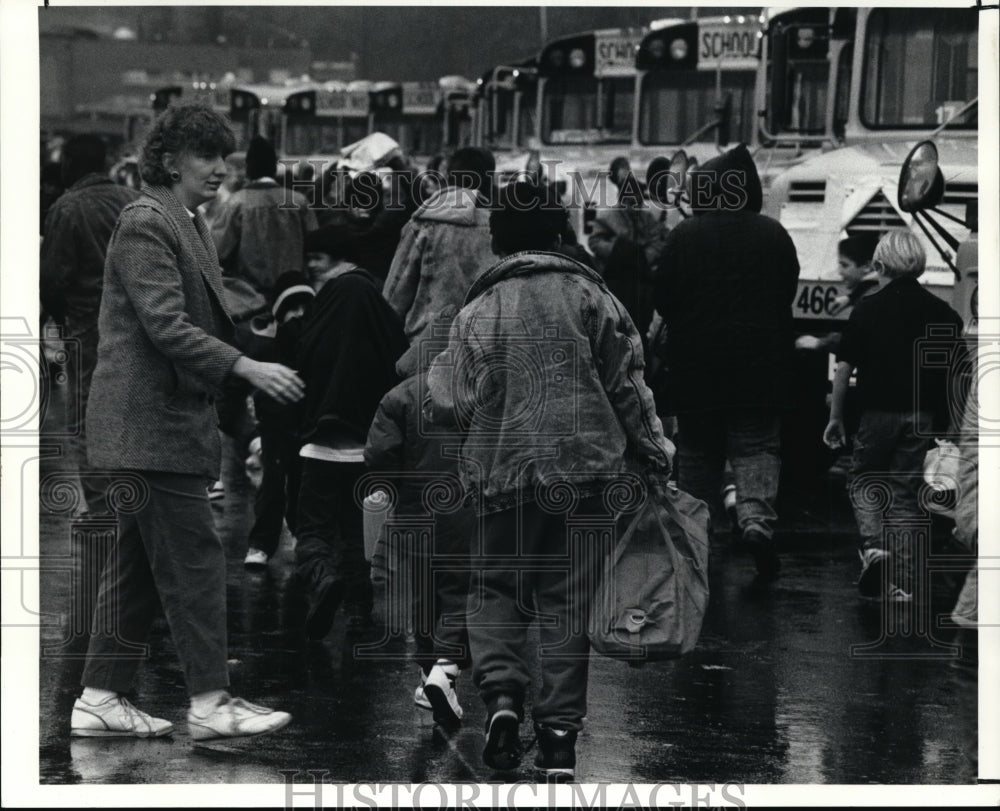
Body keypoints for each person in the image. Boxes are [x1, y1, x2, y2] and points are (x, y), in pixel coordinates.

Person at [426, 182, 675, 780]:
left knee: (496, 594)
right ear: (560, 234)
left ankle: (504, 703)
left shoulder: (478, 309)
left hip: (501, 475)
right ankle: (560, 737)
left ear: (500, 241)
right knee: (567, 603)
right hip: (586, 476)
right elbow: (629, 387)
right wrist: (655, 452)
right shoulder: (595, 296)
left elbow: (446, 398)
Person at [74, 104, 303, 741]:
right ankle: (210, 702)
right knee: (196, 561)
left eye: (225, 160)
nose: (220, 171)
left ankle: (99, 698)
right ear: (172, 161)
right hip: (151, 428)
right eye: (209, 158)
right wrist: (248, 369)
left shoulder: (184, 220)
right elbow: (167, 326)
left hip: (148, 427)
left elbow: (201, 307)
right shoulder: (148, 221)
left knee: (138, 568)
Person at [652, 143, 799, 581]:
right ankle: (755, 522)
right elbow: (784, 294)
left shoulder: (684, 236)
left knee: (698, 454)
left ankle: (696, 539)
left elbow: (664, 298)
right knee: (756, 449)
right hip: (760, 370)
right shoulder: (773, 235)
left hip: (697, 372)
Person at [823, 229, 965, 602]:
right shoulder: (943, 313)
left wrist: (836, 418)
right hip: (921, 417)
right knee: (905, 496)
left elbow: (843, 369)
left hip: (875, 414)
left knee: (864, 479)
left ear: (880, 264)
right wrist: (952, 424)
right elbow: (956, 375)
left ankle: (874, 548)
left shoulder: (868, 308)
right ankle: (901, 586)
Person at [364, 327, 476, 729]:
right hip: (464, 507)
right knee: (458, 590)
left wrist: (392, 491)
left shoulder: (399, 396)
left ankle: (426, 674)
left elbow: (379, 455)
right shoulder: (473, 393)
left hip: (413, 510)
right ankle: (444, 671)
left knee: (423, 594)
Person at [293, 251, 409, 639]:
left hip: (320, 449)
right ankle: (362, 610)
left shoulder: (318, 328)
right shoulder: (385, 332)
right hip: (367, 452)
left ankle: (321, 576)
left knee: (315, 529)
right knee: (358, 533)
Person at [40, 134, 140, 517]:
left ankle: (100, 509)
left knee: (87, 418)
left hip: (88, 330)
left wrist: (62, 320)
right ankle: (132, 505)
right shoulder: (133, 202)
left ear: (69, 163)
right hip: (136, 328)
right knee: (132, 415)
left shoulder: (67, 209)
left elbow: (52, 280)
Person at [383, 146, 496, 346]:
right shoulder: (498, 228)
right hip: (481, 346)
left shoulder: (421, 224)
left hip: (425, 346)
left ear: (448, 178)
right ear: (489, 180)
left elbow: (395, 295)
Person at [243, 271, 316, 567]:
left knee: (299, 483)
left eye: (303, 309)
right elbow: (238, 396)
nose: (298, 316)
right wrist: (252, 434)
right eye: (292, 309)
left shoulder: (310, 344)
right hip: (273, 426)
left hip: (302, 424)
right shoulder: (263, 347)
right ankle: (261, 543)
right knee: (273, 486)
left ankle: (298, 536)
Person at [212, 135, 317, 294]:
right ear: (274, 168)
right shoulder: (299, 202)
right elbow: (315, 248)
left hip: (251, 297)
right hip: (295, 294)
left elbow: (217, 254)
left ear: (249, 169)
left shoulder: (236, 203)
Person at [588, 161, 669, 351]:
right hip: (616, 281)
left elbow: (659, 240)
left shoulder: (647, 218)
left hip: (641, 281)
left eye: (637, 201)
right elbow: (595, 242)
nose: (634, 205)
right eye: (630, 200)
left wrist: (644, 257)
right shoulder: (607, 217)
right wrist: (618, 251)